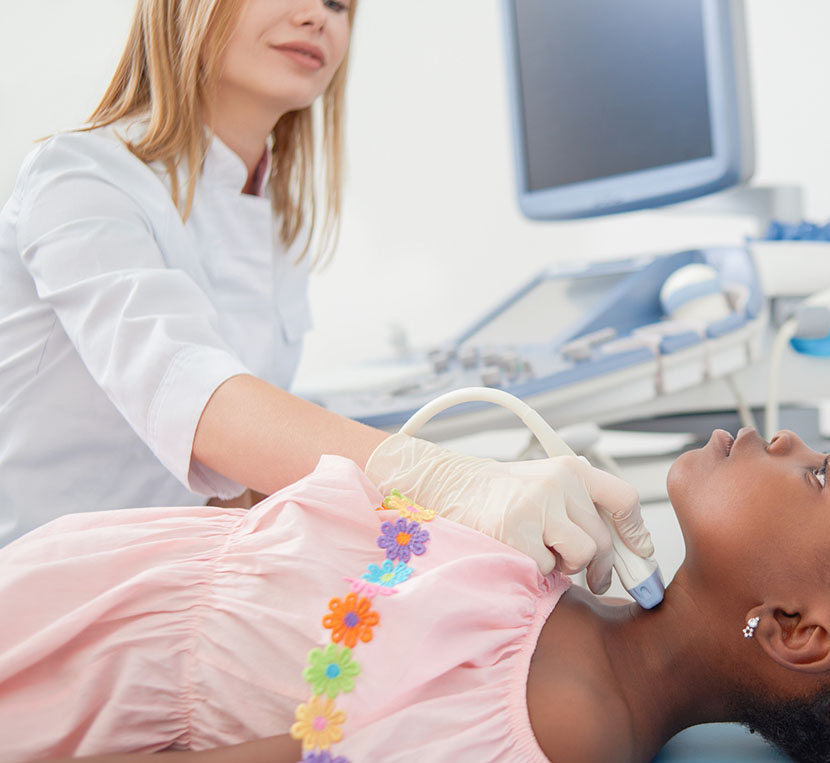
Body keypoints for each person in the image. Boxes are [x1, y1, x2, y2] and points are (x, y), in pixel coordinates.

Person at [0, 428, 830, 763]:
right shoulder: (563, 590)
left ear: (795, 628)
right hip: (72, 587)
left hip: (57, 691)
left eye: (822, 476)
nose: (783, 442)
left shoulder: (543, 728)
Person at [0, 0, 650, 587]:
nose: (320, 16)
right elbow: (200, 406)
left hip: (161, 582)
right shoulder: (82, 180)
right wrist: (453, 482)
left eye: (341, 4)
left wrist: (475, 493)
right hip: (44, 596)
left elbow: (235, 482)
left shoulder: (273, 223)